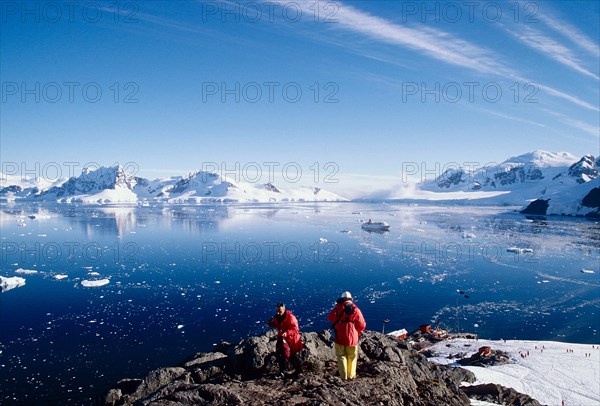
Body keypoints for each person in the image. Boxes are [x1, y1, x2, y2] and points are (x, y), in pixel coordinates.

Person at [327, 291, 366, 380]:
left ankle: (343, 377)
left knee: (341, 356)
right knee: (352, 357)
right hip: (352, 338)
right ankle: (351, 376)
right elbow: (361, 325)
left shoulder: (337, 308)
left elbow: (330, 318)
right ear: (351, 299)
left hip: (339, 336)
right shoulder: (355, 309)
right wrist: (357, 331)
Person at [268, 303, 303, 378]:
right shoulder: (277, 317)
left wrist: (287, 333)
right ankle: (282, 372)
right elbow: (276, 325)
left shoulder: (291, 317)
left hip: (290, 339)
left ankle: (298, 370)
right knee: (280, 355)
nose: (278, 313)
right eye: (277, 311)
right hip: (282, 338)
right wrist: (271, 324)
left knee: (290, 355)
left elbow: (296, 330)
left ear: (284, 309)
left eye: (279, 311)